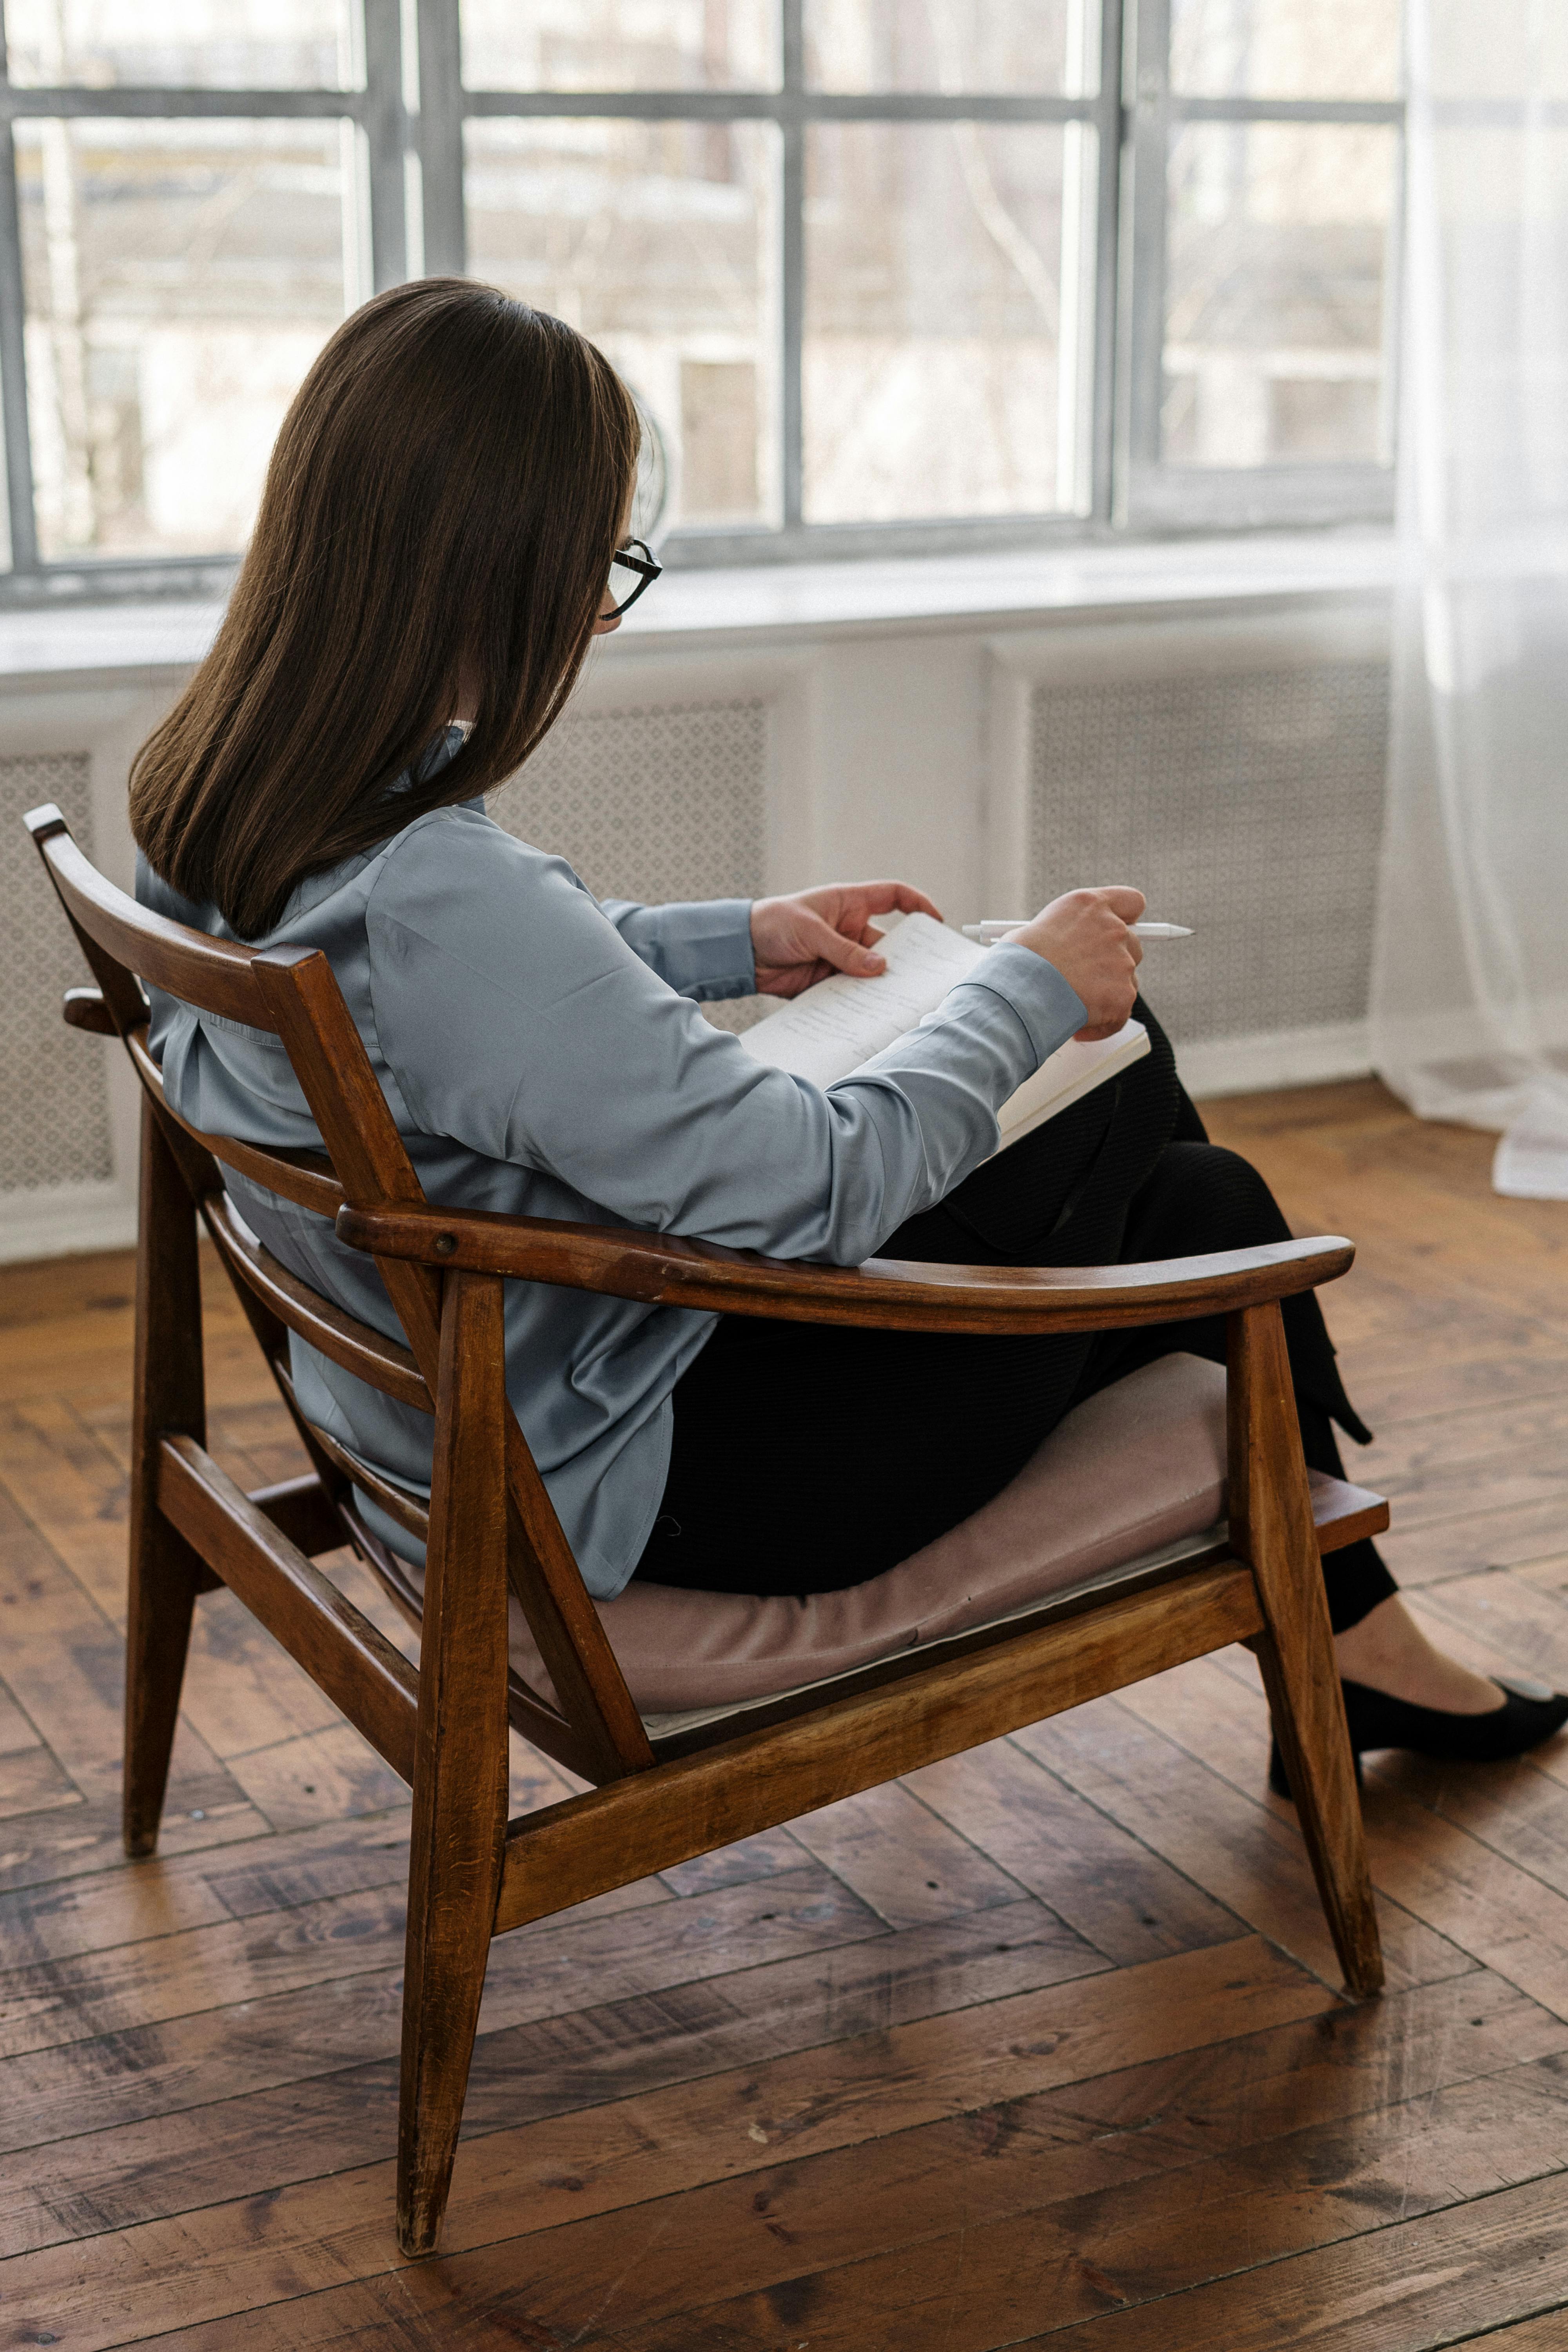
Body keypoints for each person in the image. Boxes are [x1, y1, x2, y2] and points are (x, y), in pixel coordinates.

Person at [129, 278, 1566, 1791]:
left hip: (512, 1407)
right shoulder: (440, 888)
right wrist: (1023, 991)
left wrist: (732, 940)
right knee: (1146, 1090)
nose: (597, 618)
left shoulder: (221, 783)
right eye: (599, 568)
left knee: (1192, 1203)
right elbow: (802, 1190)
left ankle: (1359, 1641)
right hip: (659, 1480)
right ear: (495, 571)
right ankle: (1352, 1625)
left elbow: (442, 1002)